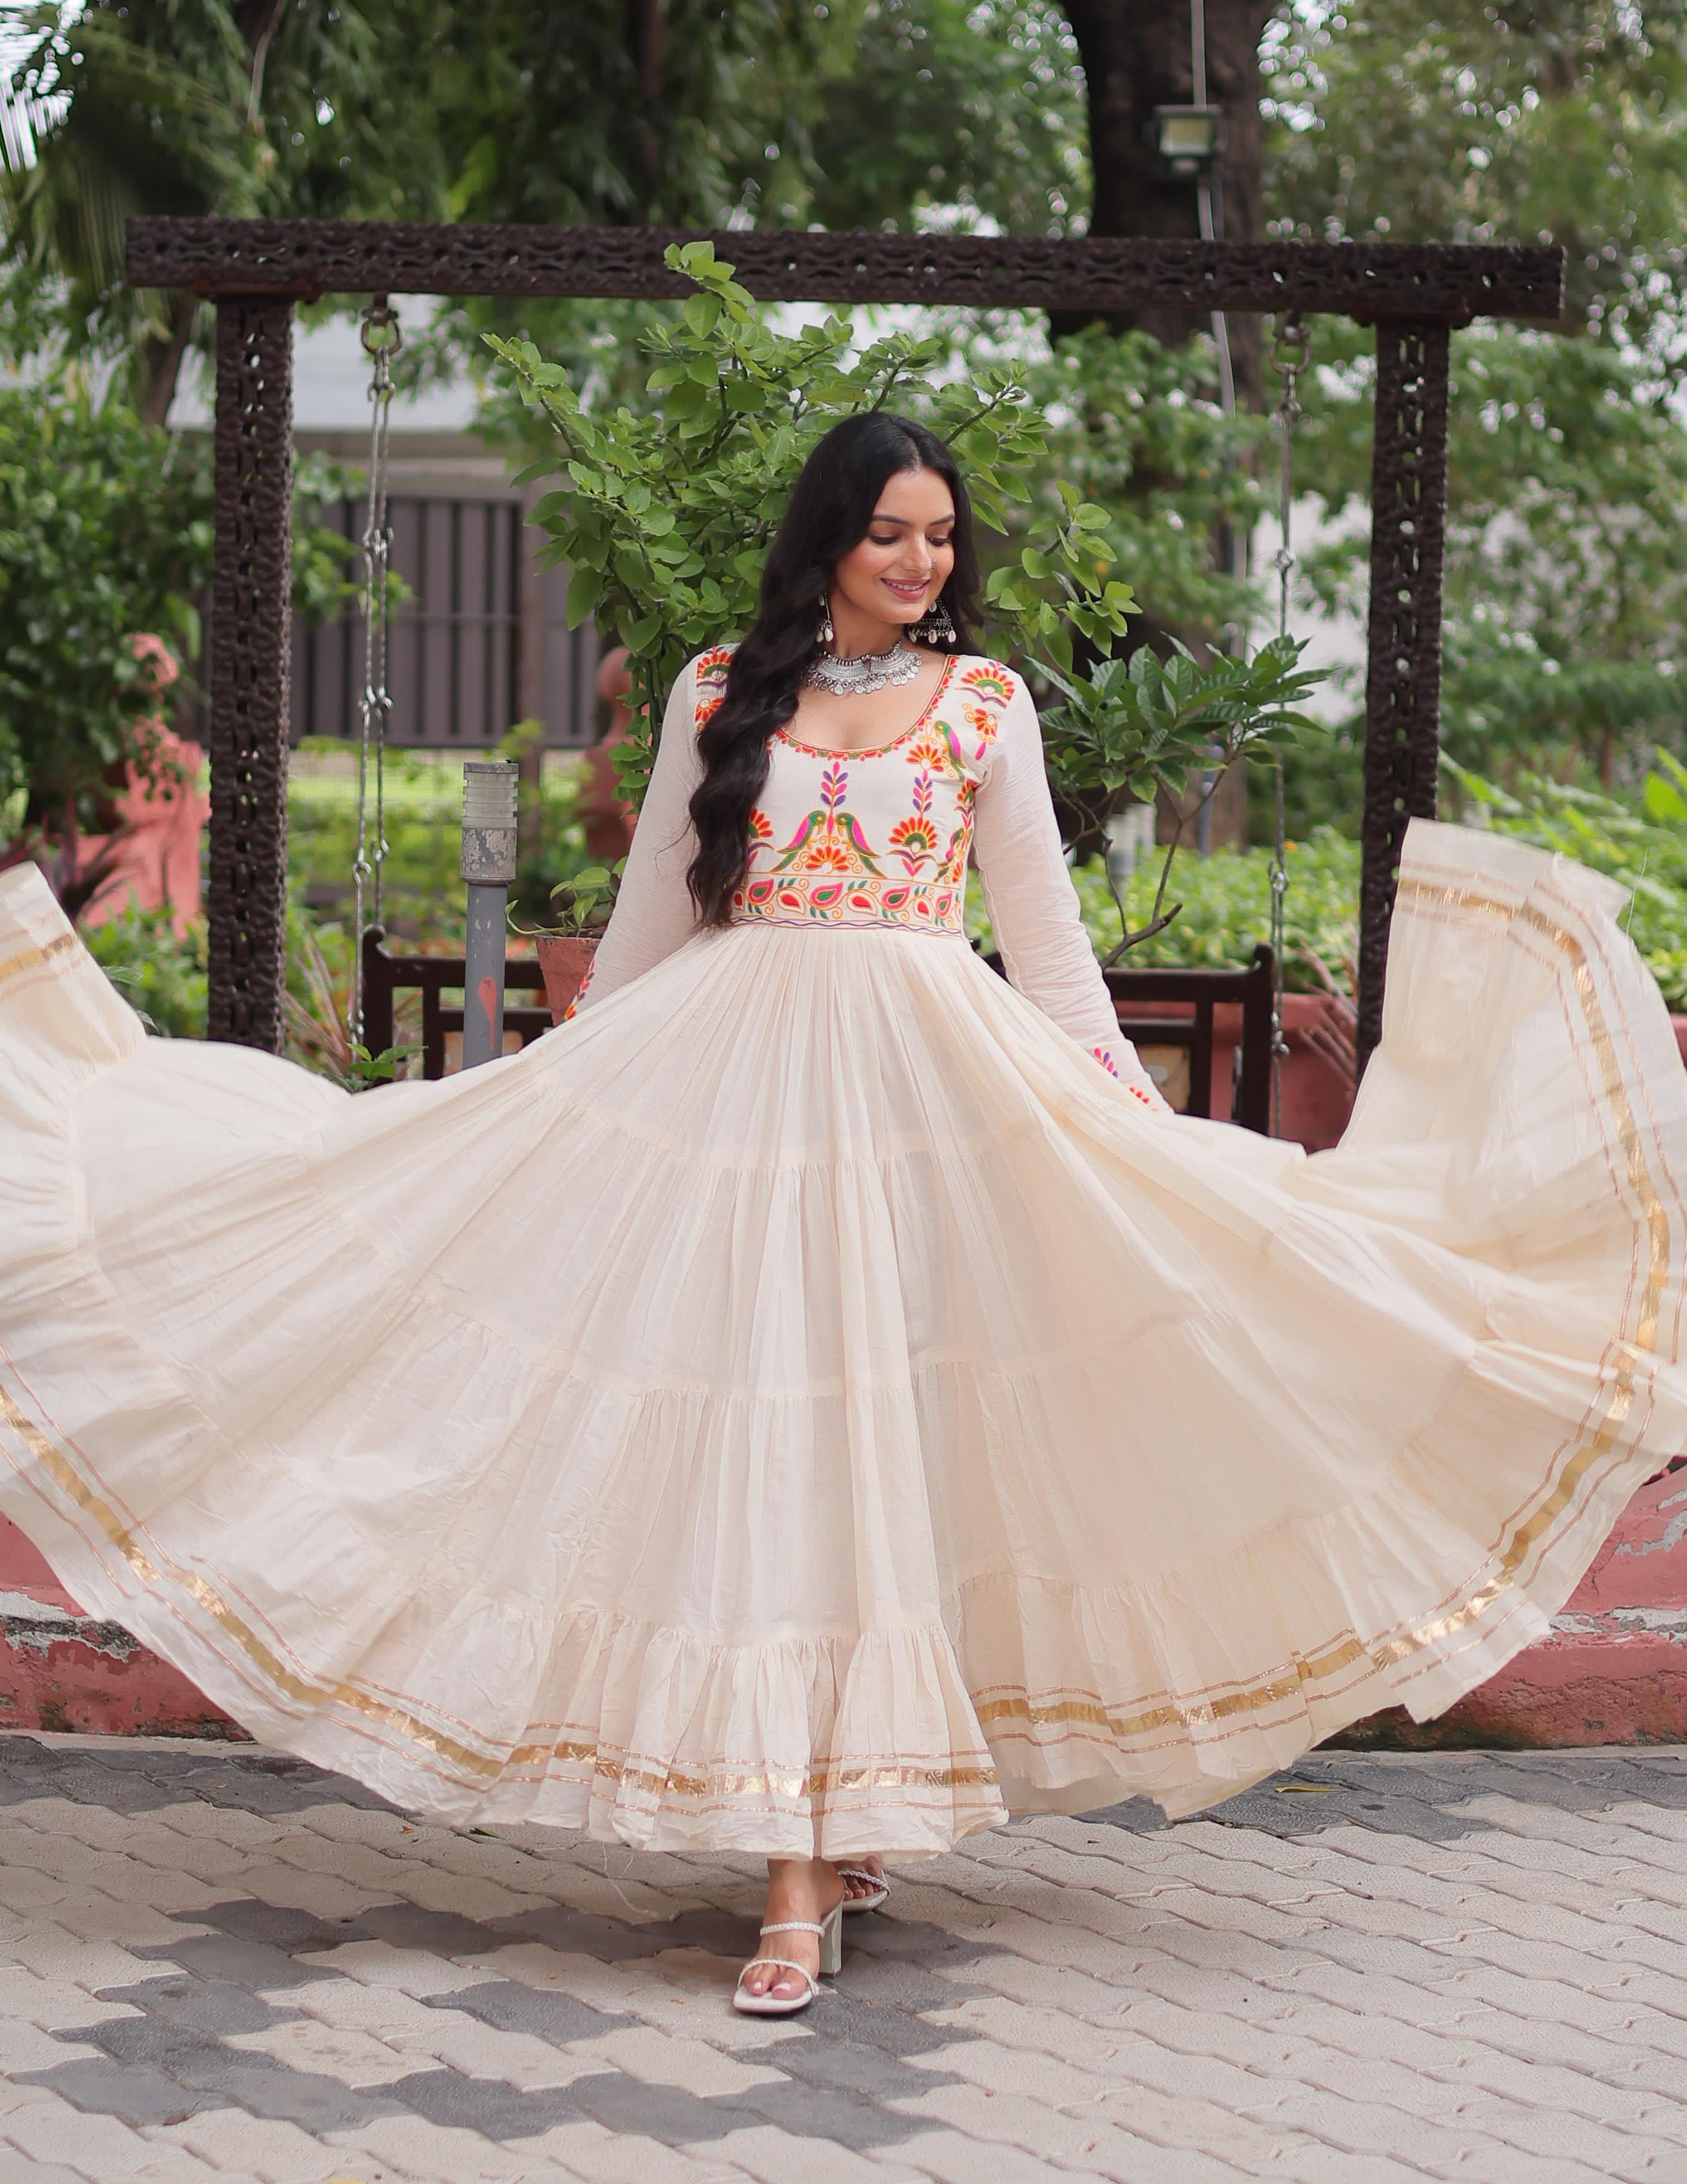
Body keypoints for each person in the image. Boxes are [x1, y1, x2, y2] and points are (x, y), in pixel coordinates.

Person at [1, 415, 1684, 2019]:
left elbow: (1043, 935)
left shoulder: (984, 704)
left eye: (941, 536)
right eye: (890, 532)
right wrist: (563, 1101)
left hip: (921, 1088)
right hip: (727, 1083)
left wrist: (1125, 1110)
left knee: (888, 1447)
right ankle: (800, 1859)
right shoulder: (724, 690)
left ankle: (834, 1822)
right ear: (830, 537)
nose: (919, 560)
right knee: (768, 1454)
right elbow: (658, 901)